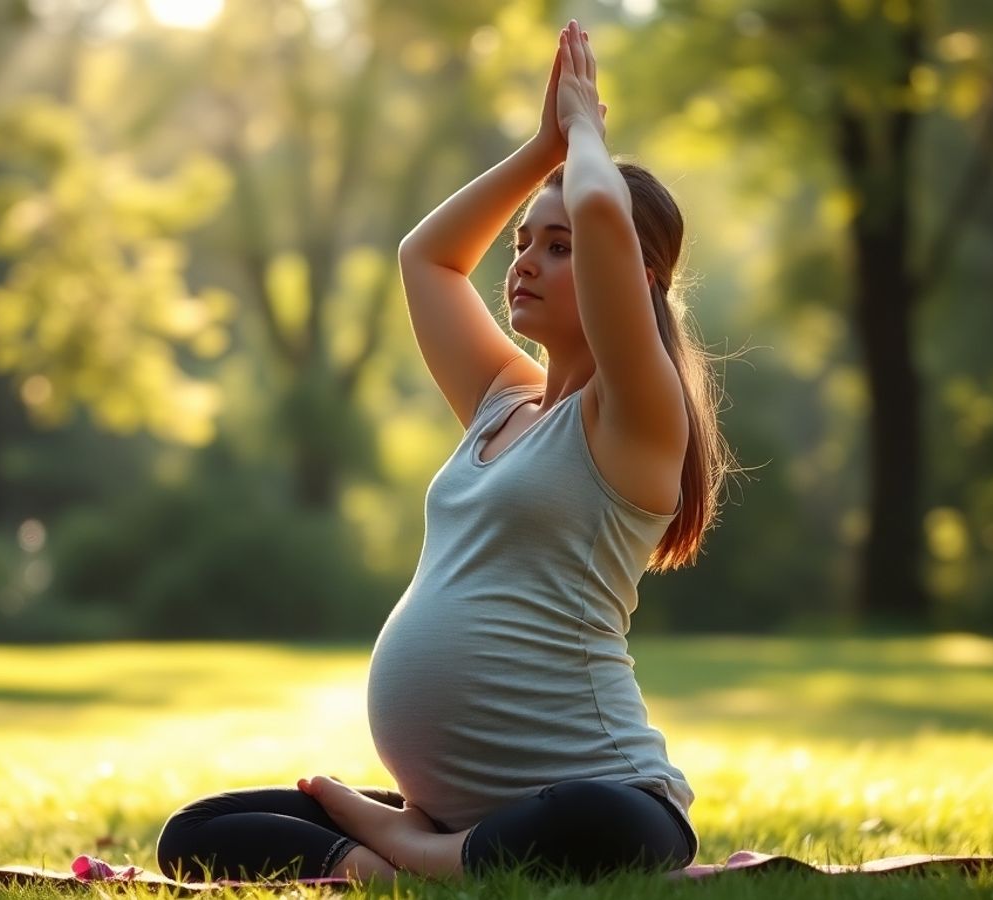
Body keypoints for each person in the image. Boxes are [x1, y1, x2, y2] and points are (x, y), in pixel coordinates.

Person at [155, 18, 731, 886]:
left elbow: (609, 211)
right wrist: (542, 149)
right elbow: (425, 258)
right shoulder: (503, 397)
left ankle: (402, 857)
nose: (526, 262)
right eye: (524, 243)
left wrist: (583, 132)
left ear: (635, 275)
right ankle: (415, 852)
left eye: (560, 246)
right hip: (475, 811)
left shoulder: (638, 420)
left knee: (595, 821)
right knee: (198, 831)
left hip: (603, 797)